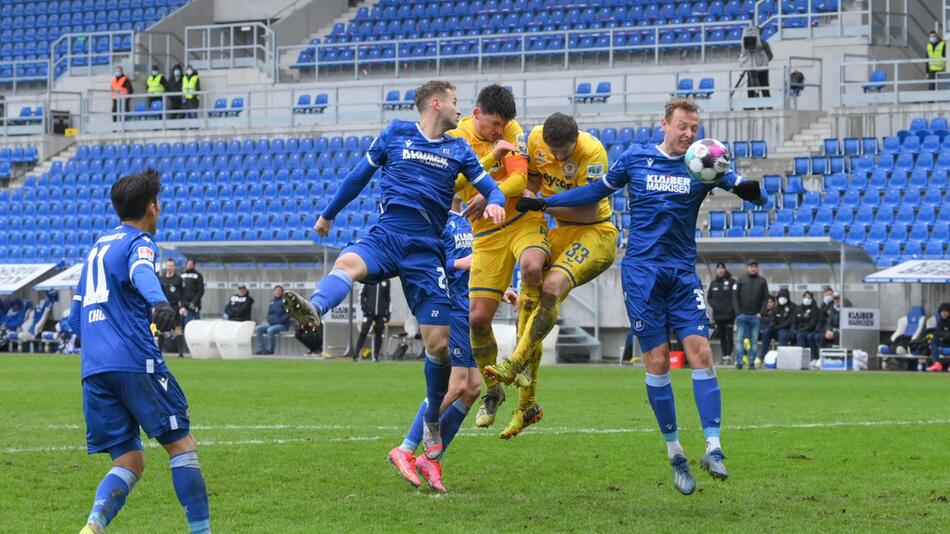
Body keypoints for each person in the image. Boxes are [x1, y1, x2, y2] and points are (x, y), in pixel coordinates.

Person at [516, 97, 768, 495]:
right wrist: (546, 202)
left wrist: (755, 193)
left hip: (682, 274)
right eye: (683, 126)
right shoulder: (635, 159)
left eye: (694, 128)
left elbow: (742, 186)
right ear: (664, 124)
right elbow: (595, 191)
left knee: (701, 352)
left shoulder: (702, 163)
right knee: (656, 362)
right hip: (642, 275)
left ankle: (714, 447)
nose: (689, 134)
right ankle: (675, 453)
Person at [280, 80, 506, 483]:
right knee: (348, 261)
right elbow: (356, 177)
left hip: (425, 250)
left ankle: (432, 422)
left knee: (438, 345)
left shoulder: (458, 149)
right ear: (436, 104)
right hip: (388, 234)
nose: (460, 109)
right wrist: (328, 214)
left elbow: (490, 187)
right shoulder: (395, 134)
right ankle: (316, 306)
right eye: (455, 102)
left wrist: (495, 203)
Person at [69, 170, 210, 534]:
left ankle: (92, 527)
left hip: (94, 370)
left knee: (129, 460)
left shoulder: (96, 250)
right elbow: (142, 270)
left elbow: (74, 318)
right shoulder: (140, 241)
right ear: (152, 207)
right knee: (182, 446)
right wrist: (159, 303)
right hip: (134, 361)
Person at [485, 112, 617, 440]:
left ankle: (514, 363)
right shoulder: (535, 139)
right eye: (554, 152)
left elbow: (588, 208)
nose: (558, 158)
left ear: (576, 139)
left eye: (564, 153)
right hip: (560, 231)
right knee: (529, 288)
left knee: (551, 286)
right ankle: (527, 406)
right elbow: (530, 183)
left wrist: (543, 205)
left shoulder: (592, 152)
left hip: (594, 232)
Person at [446, 84, 548, 430]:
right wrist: (490, 163)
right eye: (493, 125)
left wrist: (493, 195)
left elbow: (519, 179)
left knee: (533, 267)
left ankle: (518, 363)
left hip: (520, 219)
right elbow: (455, 186)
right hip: (486, 233)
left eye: (503, 125)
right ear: (476, 115)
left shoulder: (513, 131)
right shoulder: (456, 136)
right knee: (477, 318)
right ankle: (493, 391)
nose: (499, 132)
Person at [389, 195, 479, 493]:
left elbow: (480, 265)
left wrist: (500, 289)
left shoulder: (469, 221)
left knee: (473, 389)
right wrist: (458, 263)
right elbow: (424, 263)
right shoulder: (435, 223)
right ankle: (406, 448)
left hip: (470, 309)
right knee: (456, 387)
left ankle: (431, 459)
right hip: (450, 308)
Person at [732, 258, 769, 369]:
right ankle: (739, 362)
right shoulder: (740, 280)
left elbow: (765, 298)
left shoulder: (762, 281)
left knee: (754, 341)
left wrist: (761, 312)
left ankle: (752, 362)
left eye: (755, 266)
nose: (753, 268)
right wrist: (738, 313)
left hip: (755, 316)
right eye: (751, 266)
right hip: (742, 315)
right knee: (740, 340)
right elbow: (735, 297)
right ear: (747, 267)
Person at [348, 279, 391, 361]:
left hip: (381, 312)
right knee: (364, 331)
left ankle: (376, 355)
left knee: (379, 333)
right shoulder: (369, 279)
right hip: (369, 312)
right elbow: (361, 294)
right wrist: (364, 307)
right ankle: (356, 354)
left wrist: (388, 312)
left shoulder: (386, 280)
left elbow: (388, 297)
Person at [707, 262, 735, 365]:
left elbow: (735, 298)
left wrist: (731, 309)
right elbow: (709, 298)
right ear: (716, 270)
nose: (720, 270)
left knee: (729, 335)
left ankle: (729, 356)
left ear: (725, 270)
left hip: (729, 315)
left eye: (722, 268)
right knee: (722, 336)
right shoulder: (713, 283)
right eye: (718, 268)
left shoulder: (732, 282)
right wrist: (715, 306)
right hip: (718, 315)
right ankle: (724, 356)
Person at [758, 288, 796, 359]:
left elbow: (789, 322)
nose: (782, 299)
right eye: (780, 297)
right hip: (776, 329)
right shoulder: (776, 308)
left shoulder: (792, 307)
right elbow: (773, 320)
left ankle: (782, 358)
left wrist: (777, 327)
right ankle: (763, 356)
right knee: (766, 332)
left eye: (784, 297)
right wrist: (772, 326)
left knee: (782, 334)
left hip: (787, 330)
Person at [738, 25, 773, 99]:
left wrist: (763, 60)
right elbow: (743, 53)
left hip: (762, 68)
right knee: (750, 86)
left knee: (764, 85)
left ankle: (767, 103)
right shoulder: (746, 43)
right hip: (751, 67)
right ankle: (751, 104)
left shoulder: (764, 43)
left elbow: (770, 55)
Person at [159, 259, 185, 357]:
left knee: (177, 329)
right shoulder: (161, 279)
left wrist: (182, 306)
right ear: (166, 266)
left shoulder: (178, 279)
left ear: (174, 267)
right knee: (161, 329)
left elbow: (183, 294)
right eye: (168, 265)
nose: (169, 267)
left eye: (171, 266)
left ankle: (181, 353)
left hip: (174, 306)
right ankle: (159, 352)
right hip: (163, 306)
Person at [255, 286, 291, 355]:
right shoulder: (272, 301)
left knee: (270, 330)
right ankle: (262, 350)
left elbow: (289, 314)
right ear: (274, 292)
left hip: (282, 325)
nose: (278, 292)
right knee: (258, 329)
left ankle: (270, 350)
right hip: (272, 324)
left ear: (282, 292)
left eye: (280, 290)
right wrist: (269, 320)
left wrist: (279, 321)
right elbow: (269, 314)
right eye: (276, 290)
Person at [792, 291, 820, 361]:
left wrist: (798, 331)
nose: (807, 299)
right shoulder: (798, 308)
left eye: (809, 297)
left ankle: (803, 358)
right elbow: (794, 322)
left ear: (812, 299)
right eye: (806, 297)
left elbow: (812, 324)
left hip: (809, 330)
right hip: (798, 330)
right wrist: (793, 330)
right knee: (786, 335)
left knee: (800, 336)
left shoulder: (815, 309)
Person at [179, 259, 204, 329]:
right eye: (188, 264)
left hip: (193, 306)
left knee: (191, 325)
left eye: (191, 264)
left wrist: (193, 302)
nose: (189, 265)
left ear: (193, 265)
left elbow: (200, 291)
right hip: (183, 306)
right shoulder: (182, 275)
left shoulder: (198, 276)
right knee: (182, 325)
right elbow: (179, 291)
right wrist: (183, 303)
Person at [925, 303, 950, 372]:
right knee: (933, 340)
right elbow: (936, 333)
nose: (944, 314)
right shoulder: (940, 321)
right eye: (942, 312)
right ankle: (937, 364)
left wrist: (944, 335)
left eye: (946, 312)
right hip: (944, 342)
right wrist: (946, 334)